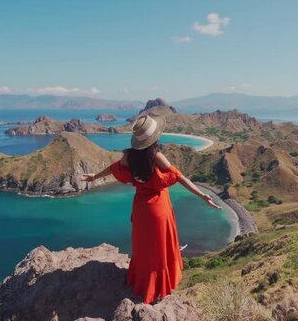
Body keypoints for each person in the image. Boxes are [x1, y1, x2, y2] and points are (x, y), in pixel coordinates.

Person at [82, 114, 220, 304]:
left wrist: (94, 177)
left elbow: (114, 168)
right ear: (154, 137)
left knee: (143, 247)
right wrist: (202, 195)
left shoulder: (129, 156)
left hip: (141, 209)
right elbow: (179, 177)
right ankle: (160, 287)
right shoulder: (157, 156)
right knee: (160, 248)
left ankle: (143, 283)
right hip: (159, 208)